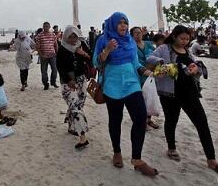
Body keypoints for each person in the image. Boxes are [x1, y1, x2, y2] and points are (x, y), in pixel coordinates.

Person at [148, 25, 218, 174]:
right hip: (169, 93)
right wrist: (162, 62)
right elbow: (150, 57)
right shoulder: (165, 48)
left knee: (202, 122)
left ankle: (211, 159)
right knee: (172, 120)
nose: (184, 41)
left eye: (187, 39)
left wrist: (195, 68)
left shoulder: (187, 51)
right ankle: (171, 148)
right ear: (174, 37)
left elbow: (194, 63)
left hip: (189, 92)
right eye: (182, 38)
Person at [93, 12, 158, 176]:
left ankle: (137, 159)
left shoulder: (129, 40)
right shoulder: (103, 39)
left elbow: (136, 63)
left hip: (132, 84)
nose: (124, 26)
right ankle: (117, 151)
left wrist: (150, 73)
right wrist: (107, 50)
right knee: (115, 120)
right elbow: (97, 63)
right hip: (112, 87)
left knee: (140, 117)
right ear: (113, 24)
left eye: (126, 22)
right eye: (120, 23)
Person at [56, 25, 91, 150]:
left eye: (74, 36)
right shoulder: (62, 48)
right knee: (76, 107)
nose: (72, 40)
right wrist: (68, 80)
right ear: (65, 37)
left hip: (81, 80)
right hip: (68, 83)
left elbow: (91, 58)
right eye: (70, 37)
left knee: (79, 105)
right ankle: (82, 137)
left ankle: (71, 127)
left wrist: (83, 53)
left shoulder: (82, 45)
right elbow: (59, 67)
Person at [130, 26, 158, 130]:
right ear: (132, 35)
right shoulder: (131, 47)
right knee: (141, 99)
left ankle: (148, 119)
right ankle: (141, 121)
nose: (138, 35)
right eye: (135, 33)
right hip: (138, 75)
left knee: (150, 97)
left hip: (151, 74)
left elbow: (155, 54)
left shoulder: (148, 44)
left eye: (139, 32)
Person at [35, 22, 59, 90]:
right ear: (43, 27)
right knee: (44, 71)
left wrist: (57, 52)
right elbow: (37, 47)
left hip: (52, 55)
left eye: (47, 26)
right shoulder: (39, 36)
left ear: (49, 27)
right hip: (44, 56)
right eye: (44, 26)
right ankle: (46, 84)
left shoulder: (53, 35)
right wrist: (41, 55)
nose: (46, 27)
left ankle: (53, 82)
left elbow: (56, 44)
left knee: (54, 70)